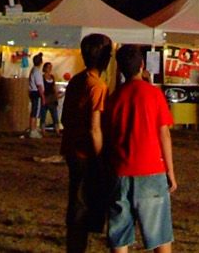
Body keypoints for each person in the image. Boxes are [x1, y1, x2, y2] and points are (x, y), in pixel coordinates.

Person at [102, 44, 176, 253]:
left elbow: (109, 136)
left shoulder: (114, 98)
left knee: (119, 235)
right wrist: (170, 171)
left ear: (119, 68)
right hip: (151, 170)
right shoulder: (154, 94)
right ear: (142, 65)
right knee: (159, 233)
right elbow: (164, 134)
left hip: (121, 171)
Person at [62, 33, 113, 253]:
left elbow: (65, 117)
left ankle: (74, 245)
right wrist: (100, 158)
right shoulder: (97, 86)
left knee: (77, 201)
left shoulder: (76, 80)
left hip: (71, 149)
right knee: (84, 205)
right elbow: (95, 128)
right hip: (87, 153)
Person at [29, 53, 47, 138]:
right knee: (35, 112)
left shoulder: (33, 70)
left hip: (33, 92)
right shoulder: (37, 72)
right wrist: (43, 97)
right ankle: (33, 130)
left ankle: (34, 129)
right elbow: (39, 85)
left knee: (35, 111)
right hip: (36, 92)